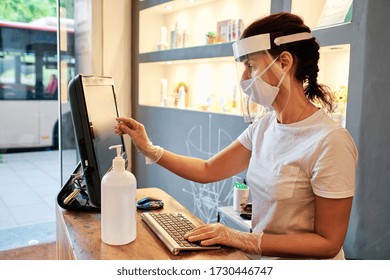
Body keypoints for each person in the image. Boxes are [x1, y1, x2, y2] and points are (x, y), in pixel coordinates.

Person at [115, 12, 358, 259]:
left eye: (251, 66)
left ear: (284, 62)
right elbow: (208, 170)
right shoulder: (263, 127)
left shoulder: (330, 141)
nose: (244, 78)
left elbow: (329, 243)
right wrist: (149, 148)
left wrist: (240, 238)